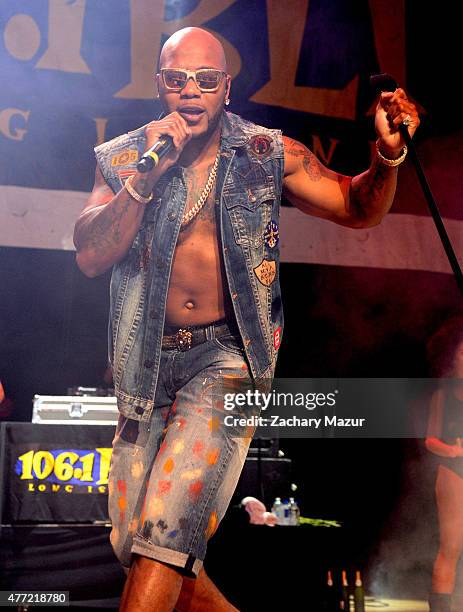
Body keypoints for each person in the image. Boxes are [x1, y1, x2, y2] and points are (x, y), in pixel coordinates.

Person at [73, 26, 419, 612]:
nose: (191, 92)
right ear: (161, 86)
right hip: (145, 364)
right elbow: (89, 253)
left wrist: (386, 155)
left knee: (164, 536)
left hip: (227, 363)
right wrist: (144, 180)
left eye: (206, 81)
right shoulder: (130, 156)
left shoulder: (265, 152)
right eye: (178, 80)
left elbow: (359, 208)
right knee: (133, 540)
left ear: (225, 89)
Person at [425, 317, 463, 612]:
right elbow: (430, 440)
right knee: (451, 547)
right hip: (453, 471)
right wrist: (453, 451)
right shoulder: (444, 393)